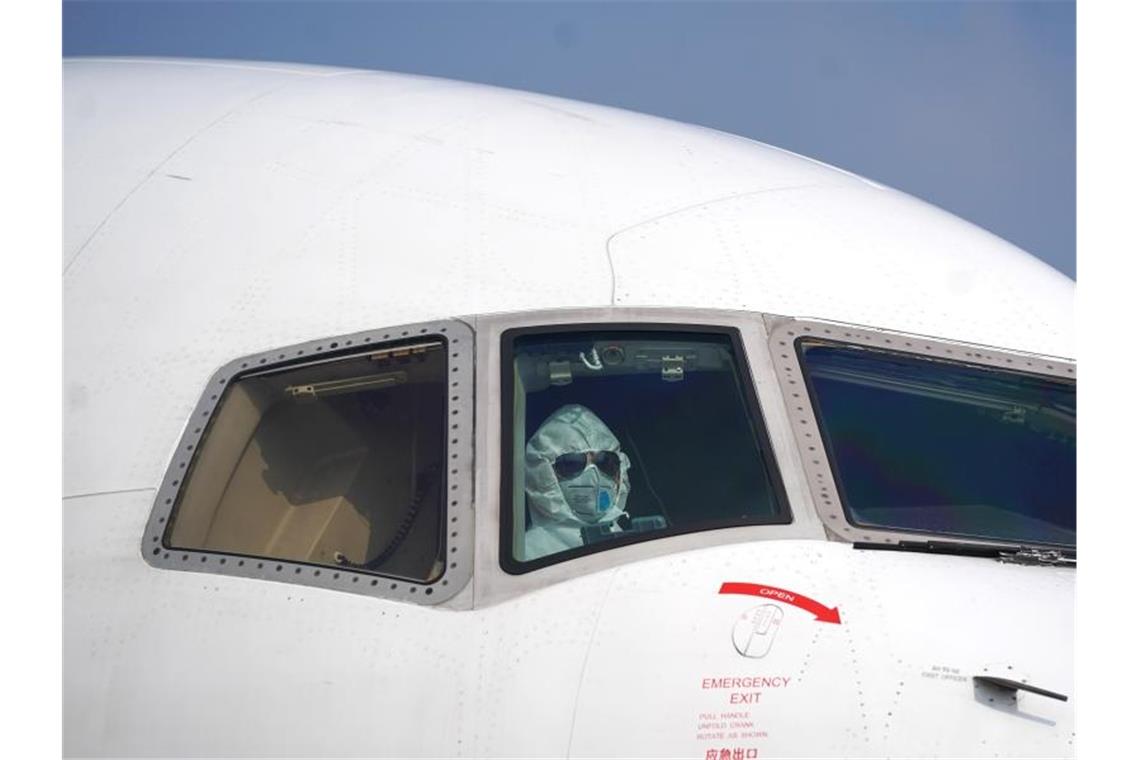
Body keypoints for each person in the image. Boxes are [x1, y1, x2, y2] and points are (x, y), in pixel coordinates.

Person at [523, 404, 632, 560]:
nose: (593, 475)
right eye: (572, 463)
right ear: (542, 473)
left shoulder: (632, 543)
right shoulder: (526, 556)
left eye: (605, 462)